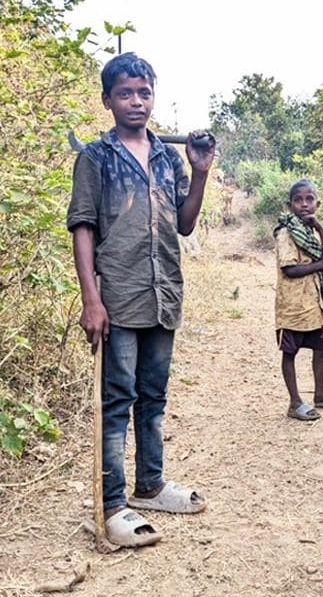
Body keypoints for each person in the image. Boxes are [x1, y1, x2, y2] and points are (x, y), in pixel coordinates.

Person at [67, 52, 215, 547]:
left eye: (144, 92)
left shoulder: (168, 156)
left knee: (154, 398)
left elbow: (184, 223)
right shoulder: (95, 157)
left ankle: (149, 484)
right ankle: (110, 505)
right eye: (125, 93)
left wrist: (199, 172)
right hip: (119, 295)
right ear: (107, 99)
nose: (136, 101)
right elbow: (83, 228)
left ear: (154, 96)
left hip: (163, 292)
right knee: (117, 402)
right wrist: (92, 299)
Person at [274, 179, 323, 421]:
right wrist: (321, 265)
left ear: (317, 203)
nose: (304, 205)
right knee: (290, 352)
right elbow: (289, 269)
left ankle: (320, 395)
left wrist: (321, 229)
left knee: (320, 348)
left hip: (312, 302)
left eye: (309, 199)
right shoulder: (286, 232)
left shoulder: (311, 232)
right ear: (290, 205)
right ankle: (294, 402)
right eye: (298, 200)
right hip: (292, 304)